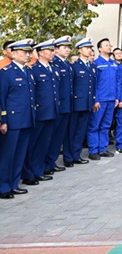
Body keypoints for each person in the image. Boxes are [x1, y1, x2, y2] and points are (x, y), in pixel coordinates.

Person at [0, 39, 36, 199]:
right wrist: (3, 120)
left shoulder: (28, 71)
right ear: (13, 54)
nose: (27, 55)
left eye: (29, 52)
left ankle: (14, 184)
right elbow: (2, 98)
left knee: (20, 154)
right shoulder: (6, 73)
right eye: (24, 52)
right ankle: (3, 186)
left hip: (26, 119)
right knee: (8, 155)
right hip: (13, 121)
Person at [21, 40, 59, 186]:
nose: (52, 53)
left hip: (51, 112)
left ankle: (38, 170)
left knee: (44, 144)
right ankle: (28, 173)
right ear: (41, 52)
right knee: (33, 145)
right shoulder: (34, 69)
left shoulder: (52, 68)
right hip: (39, 113)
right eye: (49, 50)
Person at [45, 36, 73, 174]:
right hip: (58, 106)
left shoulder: (67, 64)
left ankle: (52, 161)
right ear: (56, 50)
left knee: (59, 137)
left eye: (68, 47)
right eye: (64, 47)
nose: (67, 50)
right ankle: (46, 163)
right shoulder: (54, 63)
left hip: (66, 105)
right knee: (52, 136)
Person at [65, 38, 95, 166]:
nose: (89, 50)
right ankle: (68, 157)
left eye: (90, 48)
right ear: (79, 50)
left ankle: (76, 155)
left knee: (80, 132)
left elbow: (92, 86)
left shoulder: (92, 66)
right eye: (86, 48)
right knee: (72, 131)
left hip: (87, 103)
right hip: (77, 103)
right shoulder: (74, 66)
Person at [88, 38, 119, 160]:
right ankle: (93, 150)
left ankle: (102, 148)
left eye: (110, 45)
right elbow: (93, 83)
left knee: (106, 125)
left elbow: (117, 82)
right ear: (100, 48)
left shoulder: (114, 64)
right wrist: (95, 99)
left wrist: (117, 97)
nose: (109, 47)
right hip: (100, 100)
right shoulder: (96, 64)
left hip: (111, 99)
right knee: (95, 125)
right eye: (106, 45)